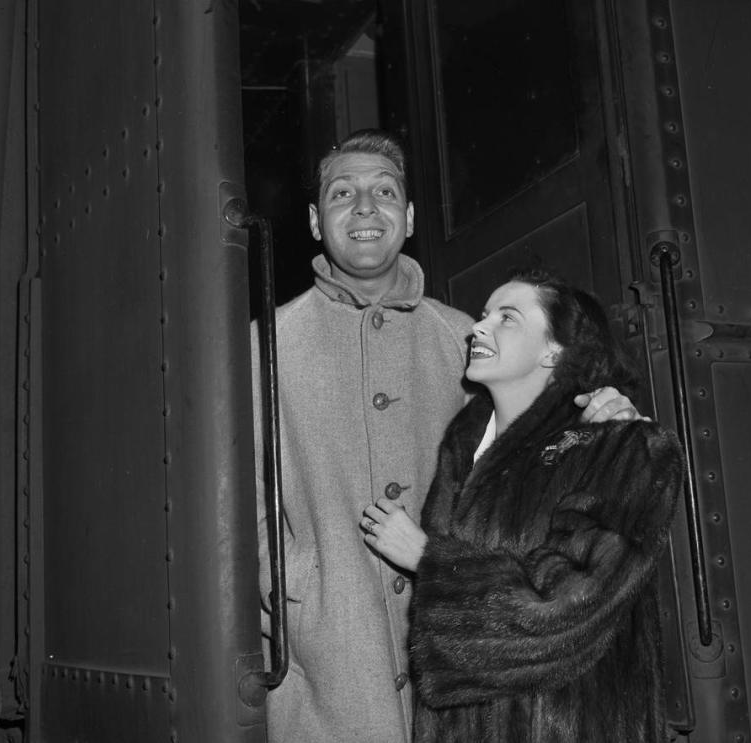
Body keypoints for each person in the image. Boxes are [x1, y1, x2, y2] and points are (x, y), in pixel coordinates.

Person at [252, 130, 643, 743]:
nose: (363, 208)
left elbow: (540, 450)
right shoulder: (261, 345)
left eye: (384, 192)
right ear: (313, 219)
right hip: (326, 660)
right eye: (342, 193)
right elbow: (234, 505)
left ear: (407, 219)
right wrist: (294, 594)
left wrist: (601, 414)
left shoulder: (468, 337)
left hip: (460, 663)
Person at [362, 269, 684, 742]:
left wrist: (429, 560)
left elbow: (565, 607)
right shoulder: (463, 449)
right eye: (483, 315)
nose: (479, 328)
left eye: (507, 318)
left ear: (555, 348)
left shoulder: (622, 447)